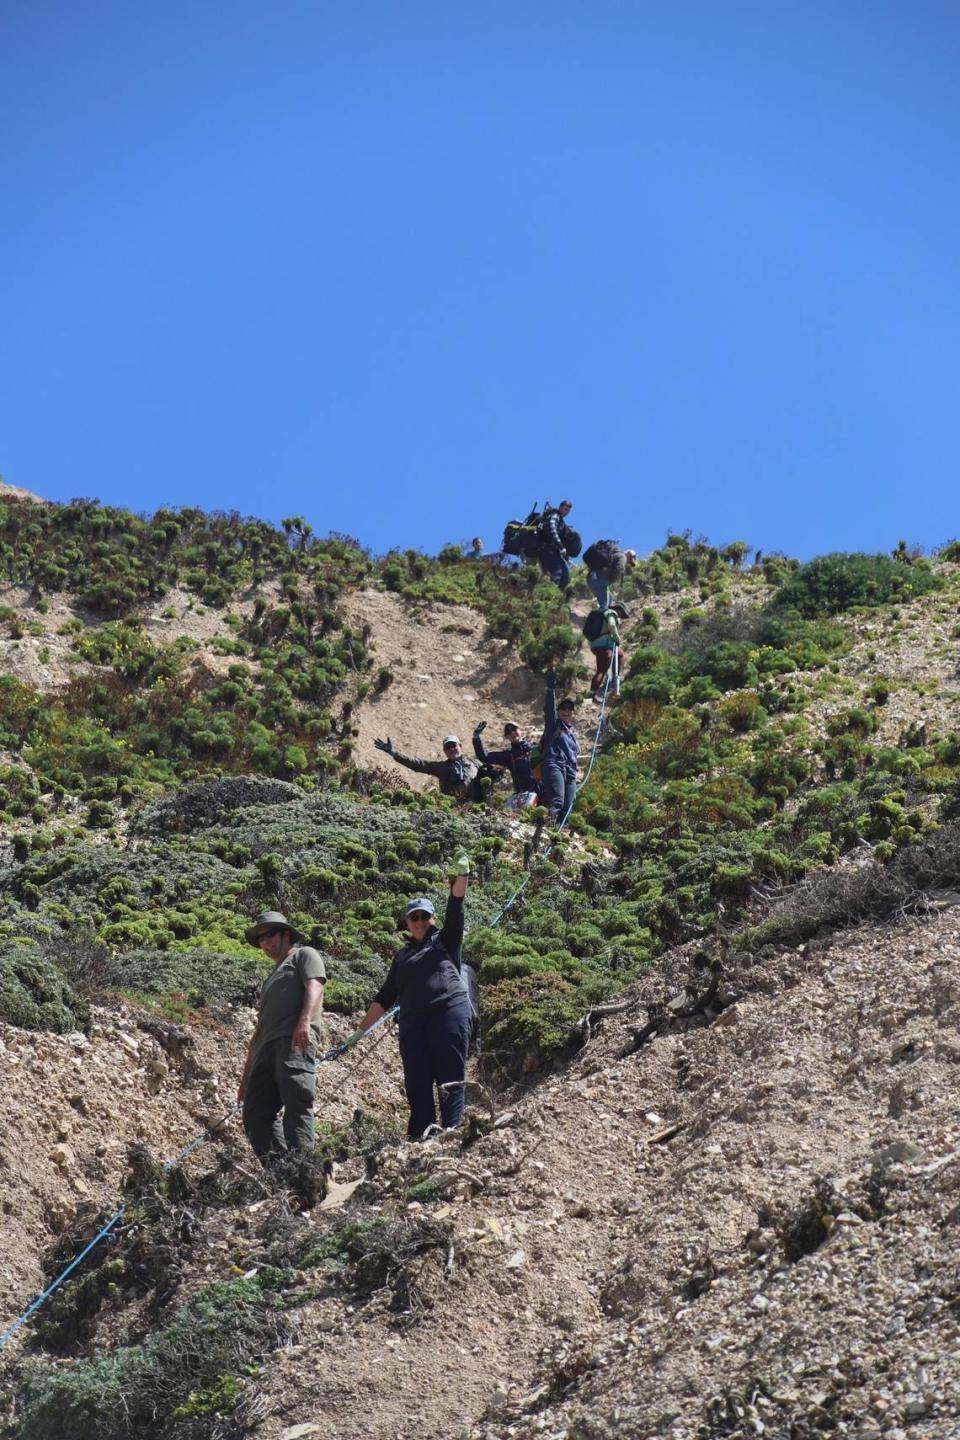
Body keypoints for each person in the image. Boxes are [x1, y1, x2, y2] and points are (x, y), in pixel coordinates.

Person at [358, 854, 473, 1138]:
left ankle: (450, 1135)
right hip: (412, 1025)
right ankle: (421, 1139)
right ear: (407, 922)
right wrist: (359, 1033)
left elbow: (456, 905)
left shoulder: (445, 940)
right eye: (414, 917)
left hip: (448, 1012)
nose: (420, 921)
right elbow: (385, 996)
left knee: (450, 1079)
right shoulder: (403, 955)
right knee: (417, 1084)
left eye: (424, 916)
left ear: (432, 919)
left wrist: (463, 874)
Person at [238, 910, 326, 1163]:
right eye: (261, 939)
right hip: (266, 1048)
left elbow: (315, 985)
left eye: (270, 934)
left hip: (293, 1039)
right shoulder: (270, 978)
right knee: (255, 1114)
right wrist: (246, 1077)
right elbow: (259, 1028)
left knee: (296, 1103)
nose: (265, 942)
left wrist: (305, 1022)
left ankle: (305, 1169)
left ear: (287, 934)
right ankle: (283, 1171)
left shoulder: (304, 955)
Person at [374, 733, 483, 803]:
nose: (451, 749)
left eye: (454, 746)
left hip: (478, 808)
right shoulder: (441, 767)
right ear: (444, 751)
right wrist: (393, 753)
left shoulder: (475, 763)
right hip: (453, 809)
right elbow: (417, 764)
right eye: (447, 747)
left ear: (460, 746)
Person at [540, 673, 579, 824]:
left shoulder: (572, 734)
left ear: (573, 712)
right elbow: (548, 711)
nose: (566, 711)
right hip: (555, 764)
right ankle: (549, 829)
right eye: (562, 708)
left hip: (570, 771)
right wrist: (551, 690)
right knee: (557, 801)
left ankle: (560, 835)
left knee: (568, 807)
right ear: (558, 711)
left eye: (569, 708)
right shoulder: (553, 726)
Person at [472, 719, 539, 802]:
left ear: (520, 730)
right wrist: (476, 738)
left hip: (543, 792)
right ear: (506, 737)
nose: (512, 733)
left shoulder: (535, 748)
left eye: (514, 729)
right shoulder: (508, 755)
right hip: (524, 797)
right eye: (508, 732)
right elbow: (484, 757)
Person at [588, 601, 628, 700]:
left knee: (620, 654)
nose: (621, 616)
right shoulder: (611, 613)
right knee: (602, 670)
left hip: (598, 644)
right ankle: (592, 693)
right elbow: (612, 625)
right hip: (604, 645)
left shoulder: (603, 615)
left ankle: (615, 680)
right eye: (621, 613)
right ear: (618, 609)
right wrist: (617, 637)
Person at [583, 541, 637, 610]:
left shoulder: (613, 554)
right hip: (598, 579)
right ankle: (603, 614)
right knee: (605, 606)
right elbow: (619, 570)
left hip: (591, 578)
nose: (629, 562)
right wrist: (610, 580)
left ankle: (606, 608)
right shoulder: (622, 557)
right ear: (628, 554)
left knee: (610, 599)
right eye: (630, 560)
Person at [539, 500, 574, 591]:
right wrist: (560, 546)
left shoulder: (561, 521)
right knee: (558, 573)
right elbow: (552, 530)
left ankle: (557, 596)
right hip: (547, 550)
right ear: (560, 507)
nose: (566, 512)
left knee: (565, 575)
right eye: (565, 509)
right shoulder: (555, 516)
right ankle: (551, 595)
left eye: (568, 511)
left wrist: (567, 557)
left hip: (554, 551)